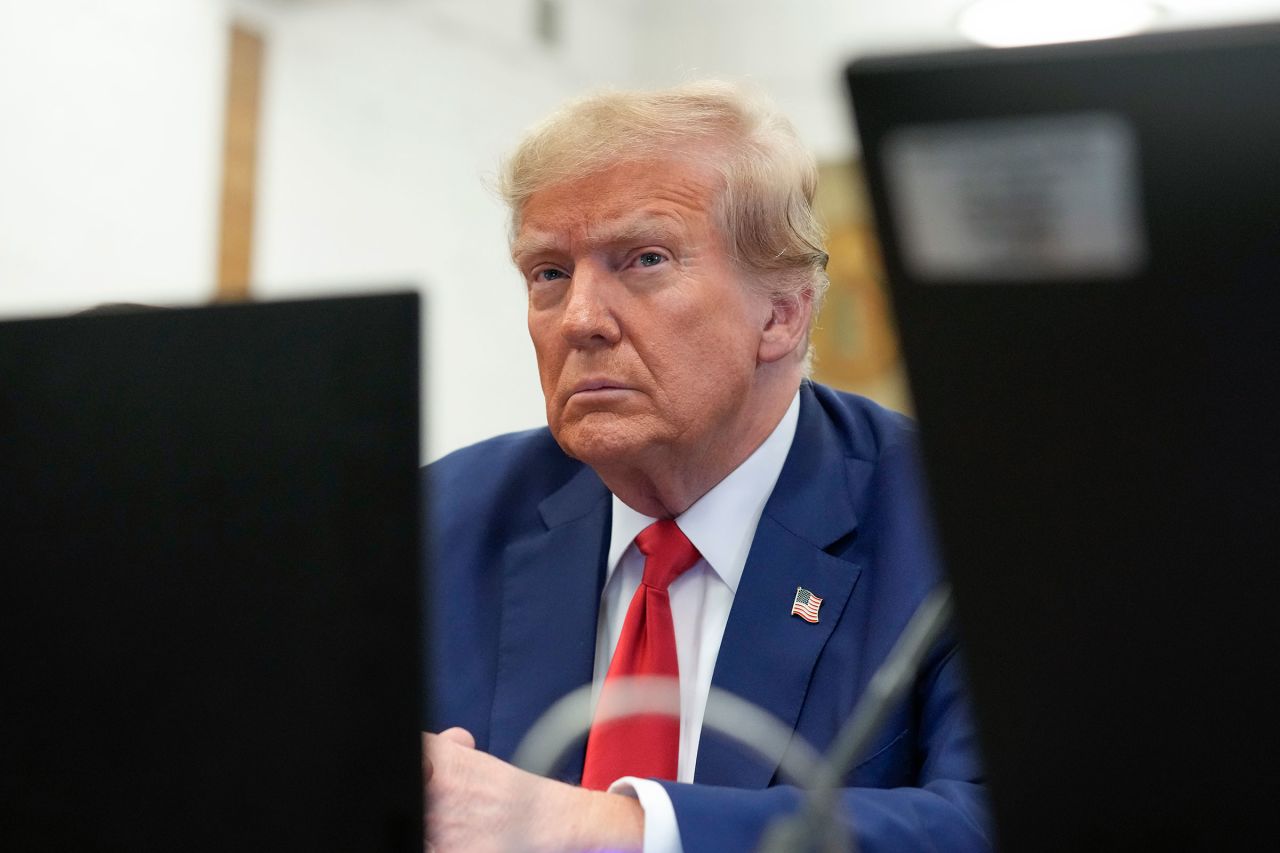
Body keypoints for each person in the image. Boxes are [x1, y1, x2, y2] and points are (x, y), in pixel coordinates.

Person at [422, 80, 989, 852]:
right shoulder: (441, 518)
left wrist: (617, 829)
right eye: (549, 273)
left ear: (782, 312)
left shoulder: (952, 515)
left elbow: (996, 819)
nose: (581, 318)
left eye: (644, 259)